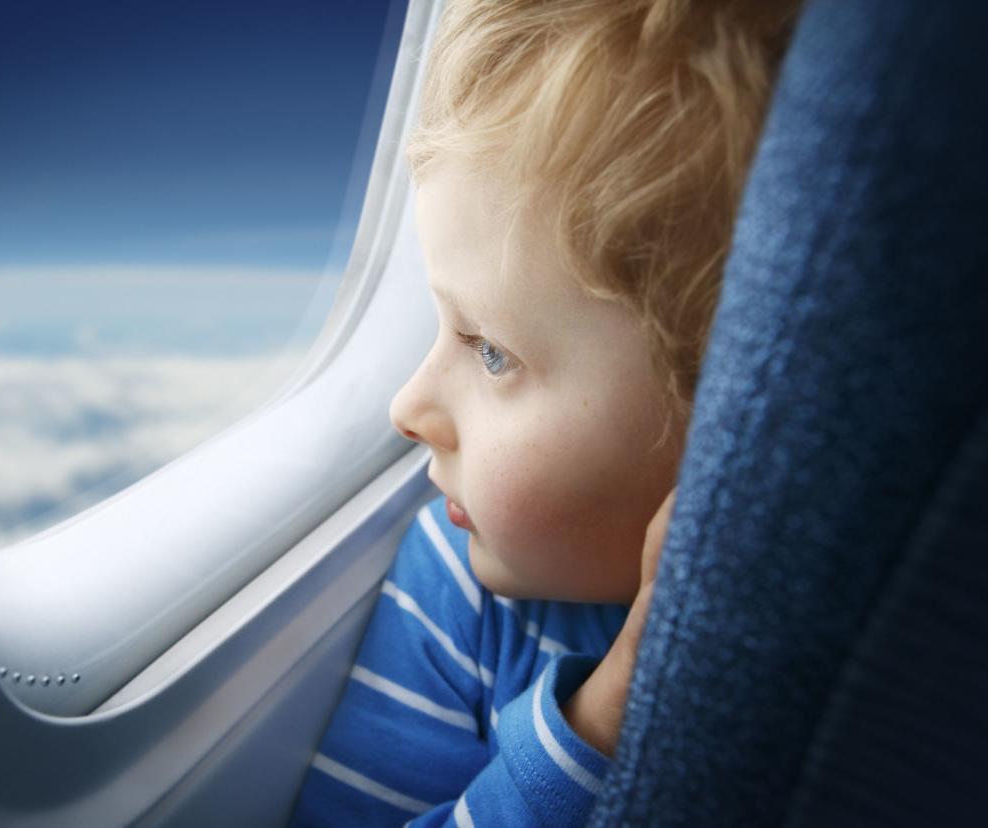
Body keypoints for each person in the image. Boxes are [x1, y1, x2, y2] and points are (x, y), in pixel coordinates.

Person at [291, 1, 798, 824]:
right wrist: (596, 725)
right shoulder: (455, 587)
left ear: (723, 423)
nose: (407, 407)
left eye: (490, 349)